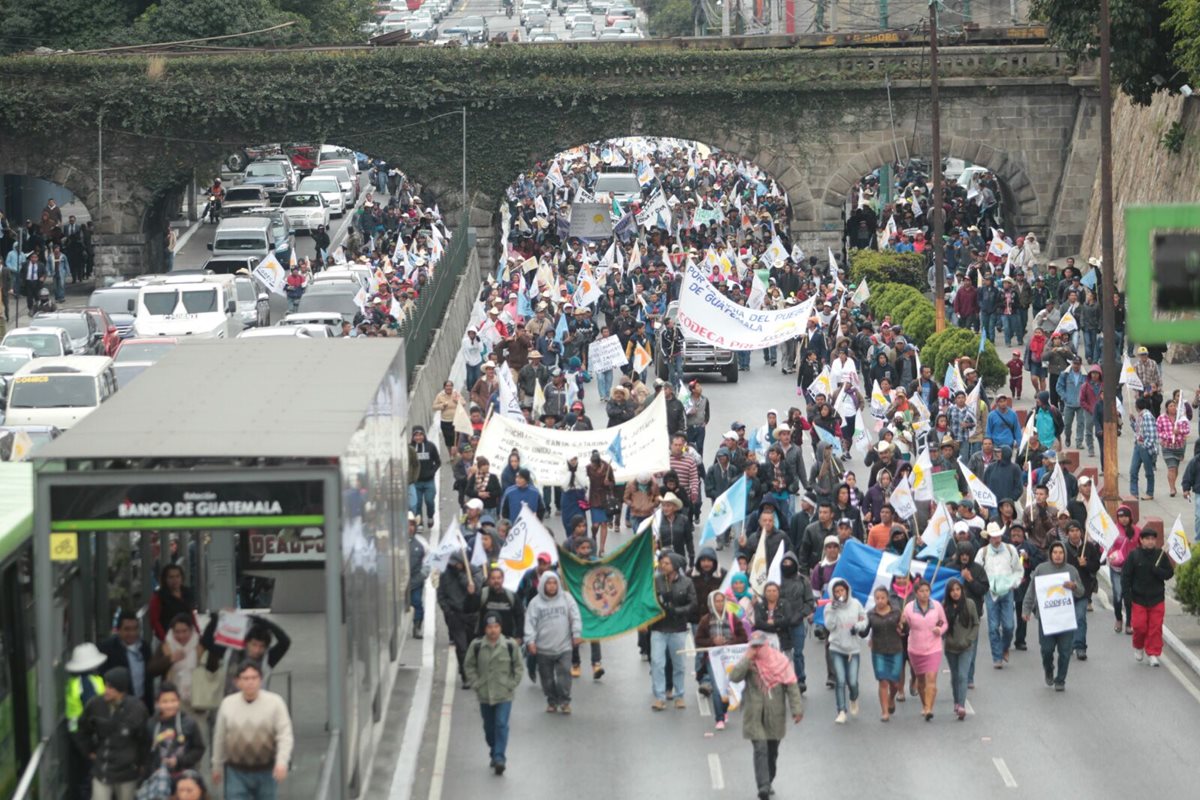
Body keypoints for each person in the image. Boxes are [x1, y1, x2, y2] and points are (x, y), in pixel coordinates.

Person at [728, 632, 803, 800]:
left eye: (759, 646)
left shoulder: (780, 662)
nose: (756, 650)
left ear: (766, 645)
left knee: (772, 751)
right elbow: (734, 676)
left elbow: (791, 685)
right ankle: (763, 785)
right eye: (753, 646)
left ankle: (769, 780)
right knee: (760, 747)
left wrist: (797, 710)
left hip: (774, 713)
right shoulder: (748, 662)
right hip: (753, 714)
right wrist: (747, 658)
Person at [211, 662, 294, 799]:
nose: (250, 682)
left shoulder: (275, 703)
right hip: (235, 771)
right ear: (237, 682)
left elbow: (285, 735)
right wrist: (216, 766)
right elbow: (219, 737)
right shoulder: (227, 704)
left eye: (254, 678)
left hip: (266, 770)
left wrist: (282, 762)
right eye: (246, 678)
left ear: (260, 680)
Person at [465, 612, 523, 775]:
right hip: (485, 694)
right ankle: (494, 750)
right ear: (485, 629)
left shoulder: (510, 645)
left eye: (496, 627)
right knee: (489, 728)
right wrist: (476, 684)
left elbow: (518, 667)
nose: (493, 630)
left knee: (501, 724)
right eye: (490, 627)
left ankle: (499, 758)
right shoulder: (476, 646)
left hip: (504, 694)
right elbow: (469, 666)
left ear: (501, 628)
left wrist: (512, 684)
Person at [1022, 540, 1085, 690]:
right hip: (1047, 619)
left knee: (1064, 652)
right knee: (1046, 649)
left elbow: (1081, 591)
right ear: (1050, 554)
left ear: (1064, 554)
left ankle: (1060, 680)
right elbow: (1031, 591)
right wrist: (1026, 610)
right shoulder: (1041, 569)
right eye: (1055, 553)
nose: (1058, 556)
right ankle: (1048, 669)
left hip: (1065, 619)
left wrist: (1074, 586)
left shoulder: (1071, 571)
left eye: (1061, 553)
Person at [78, 666, 149, 800]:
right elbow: (82, 730)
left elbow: (144, 739)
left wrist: (141, 764)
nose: (106, 690)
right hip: (102, 770)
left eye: (111, 688)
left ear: (122, 690)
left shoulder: (137, 709)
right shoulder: (95, 704)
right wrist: (89, 751)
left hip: (128, 771)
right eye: (106, 685)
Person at [524, 570, 582, 714]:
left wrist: (577, 633)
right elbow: (529, 623)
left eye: (554, 583)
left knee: (564, 676)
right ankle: (552, 701)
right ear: (543, 584)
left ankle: (564, 701)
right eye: (548, 583)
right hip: (543, 648)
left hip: (564, 647)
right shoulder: (535, 603)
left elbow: (575, 616)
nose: (551, 586)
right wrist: (530, 641)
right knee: (547, 679)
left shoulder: (566, 598)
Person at [695, 590, 749, 731]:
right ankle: (719, 718)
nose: (719, 604)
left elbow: (743, 637)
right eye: (716, 601)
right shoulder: (705, 620)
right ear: (711, 603)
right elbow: (698, 640)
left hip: (730, 658)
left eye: (721, 601)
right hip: (713, 659)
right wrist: (713, 641)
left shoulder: (732, 618)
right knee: (717, 686)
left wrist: (730, 641)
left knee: (727, 685)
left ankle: (724, 710)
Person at [200, 613, 291, 697]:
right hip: (232, 705)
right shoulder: (230, 652)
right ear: (246, 643)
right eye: (254, 644)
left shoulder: (268, 658)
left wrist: (263, 621)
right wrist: (216, 619)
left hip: (258, 707)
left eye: (262, 646)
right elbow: (207, 642)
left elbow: (285, 642)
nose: (257, 650)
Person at [650, 551, 696, 710]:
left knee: (679, 664)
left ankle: (679, 695)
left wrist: (678, 610)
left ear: (675, 565)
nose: (663, 566)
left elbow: (692, 604)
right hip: (659, 628)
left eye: (667, 563)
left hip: (678, 629)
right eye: (662, 563)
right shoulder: (656, 581)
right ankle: (659, 696)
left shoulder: (687, 582)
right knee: (657, 662)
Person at [1123, 528, 1176, 667]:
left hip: (1157, 598)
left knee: (1155, 627)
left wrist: (1158, 571)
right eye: (1147, 539)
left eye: (1153, 539)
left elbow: (1169, 573)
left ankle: (1153, 653)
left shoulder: (1161, 555)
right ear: (1141, 540)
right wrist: (1127, 596)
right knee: (1140, 627)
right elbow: (1126, 577)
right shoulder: (1134, 556)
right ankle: (1139, 646)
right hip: (1138, 598)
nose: (1150, 541)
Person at [821, 577, 867, 724]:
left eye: (842, 590)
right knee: (840, 680)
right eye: (836, 591)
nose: (840, 593)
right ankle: (841, 710)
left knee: (852, 681)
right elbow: (829, 626)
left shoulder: (856, 604)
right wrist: (833, 611)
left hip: (853, 649)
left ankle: (854, 698)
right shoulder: (829, 607)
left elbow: (864, 620)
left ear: (847, 591)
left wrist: (858, 627)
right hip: (837, 647)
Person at [65, 642, 108, 799]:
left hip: (75, 732)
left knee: (82, 775)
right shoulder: (89, 682)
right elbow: (93, 712)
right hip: (86, 735)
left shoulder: (74, 683)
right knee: (89, 777)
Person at [900, 580, 948, 720]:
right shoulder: (909, 608)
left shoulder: (937, 606)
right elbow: (902, 628)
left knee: (931, 678)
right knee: (920, 681)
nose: (924, 594)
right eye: (921, 591)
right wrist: (901, 622)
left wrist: (939, 629)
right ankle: (924, 704)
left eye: (927, 591)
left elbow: (943, 622)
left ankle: (929, 708)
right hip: (915, 649)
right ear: (916, 593)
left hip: (934, 647)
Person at [100, 611, 164, 712]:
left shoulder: (144, 647)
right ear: (118, 630)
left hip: (143, 702)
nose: (132, 633)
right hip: (120, 705)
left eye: (135, 629)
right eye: (127, 629)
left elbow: (149, 674)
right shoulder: (108, 648)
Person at [975, 527, 1021, 668]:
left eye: (998, 536)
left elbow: (1018, 569)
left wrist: (1015, 583)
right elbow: (977, 571)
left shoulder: (1010, 549)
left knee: (1009, 625)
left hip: (1007, 591)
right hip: (991, 592)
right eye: (994, 537)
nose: (997, 539)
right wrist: (983, 587)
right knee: (993, 626)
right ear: (989, 538)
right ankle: (997, 657)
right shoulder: (982, 552)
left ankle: (1004, 647)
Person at [438, 553, 483, 689]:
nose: (454, 566)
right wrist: (448, 611)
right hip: (455, 615)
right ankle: (465, 676)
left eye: (456, 563)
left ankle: (474, 671)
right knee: (462, 647)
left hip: (472, 615)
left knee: (473, 646)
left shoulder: (474, 571)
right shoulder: (445, 574)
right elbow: (441, 595)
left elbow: (476, 590)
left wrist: (462, 576)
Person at [146, 683, 206, 781]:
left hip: (185, 775)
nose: (169, 705)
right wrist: (151, 771)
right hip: (158, 776)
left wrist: (179, 761)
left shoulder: (189, 723)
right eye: (164, 702)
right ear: (157, 703)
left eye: (173, 701)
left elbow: (199, 749)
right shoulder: (151, 724)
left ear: (179, 701)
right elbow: (147, 752)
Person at [941, 579, 980, 720]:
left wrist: (969, 640)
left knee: (963, 675)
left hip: (966, 647)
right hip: (951, 648)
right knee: (955, 676)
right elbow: (940, 625)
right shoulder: (944, 607)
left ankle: (962, 705)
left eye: (958, 589)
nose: (955, 593)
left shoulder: (969, 604)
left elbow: (976, 624)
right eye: (952, 590)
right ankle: (956, 701)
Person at [865, 587, 904, 721]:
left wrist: (904, 626)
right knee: (883, 681)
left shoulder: (897, 612)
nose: (880, 601)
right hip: (879, 651)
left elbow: (905, 631)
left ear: (887, 598)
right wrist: (858, 625)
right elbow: (864, 632)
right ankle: (885, 711)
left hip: (895, 650)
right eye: (877, 598)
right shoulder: (871, 614)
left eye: (883, 598)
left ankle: (891, 698)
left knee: (895, 683)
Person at [159, 613, 205, 716]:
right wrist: (170, 659)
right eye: (177, 632)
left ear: (191, 630)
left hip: (196, 699)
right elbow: (152, 668)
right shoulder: (166, 645)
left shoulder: (199, 645)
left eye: (184, 631)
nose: (181, 636)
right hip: (174, 700)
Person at [149, 564, 197, 641]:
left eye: (177, 576)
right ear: (165, 579)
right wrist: (165, 639)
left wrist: (197, 633)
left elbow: (191, 615)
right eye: (171, 577)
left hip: (186, 638)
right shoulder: (159, 596)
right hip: (166, 638)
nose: (175, 580)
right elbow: (155, 621)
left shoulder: (187, 592)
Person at [408, 426, 442, 526]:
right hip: (416, 482)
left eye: (420, 435)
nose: (418, 437)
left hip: (429, 481)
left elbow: (438, 462)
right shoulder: (410, 448)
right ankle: (419, 522)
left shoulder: (430, 446)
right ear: (413, 436)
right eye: (416, 435)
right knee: (417, 504)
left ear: (424, 435)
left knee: (429, 501)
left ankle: (430, 516)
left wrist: (432, 472)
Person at [1130, 396, 1159, 500]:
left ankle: (1150, 492)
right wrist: (1133, 421)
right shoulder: (1140, 416)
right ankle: (1134, 493)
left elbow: (1152, 435)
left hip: (1145, 447)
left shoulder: (1147, 416)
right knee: (1133, 470)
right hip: (1138, 445)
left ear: (1137, 406)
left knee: (1148, 472)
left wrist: (1144, 446)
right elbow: (1138, 430)